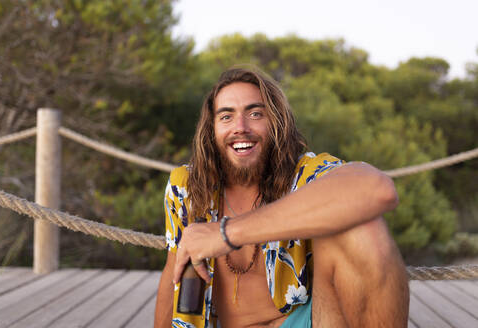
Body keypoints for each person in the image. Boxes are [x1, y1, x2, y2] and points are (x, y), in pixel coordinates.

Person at [154, 67, 409, 328]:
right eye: (226, 117)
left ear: (276, 122)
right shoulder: (186, 188)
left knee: (362, 227)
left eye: (255, 114)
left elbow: (376, 189)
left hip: (307, 321)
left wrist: (225, 234)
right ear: (211, 129)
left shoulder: (303, 176)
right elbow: (172, 275)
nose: (240, 128)